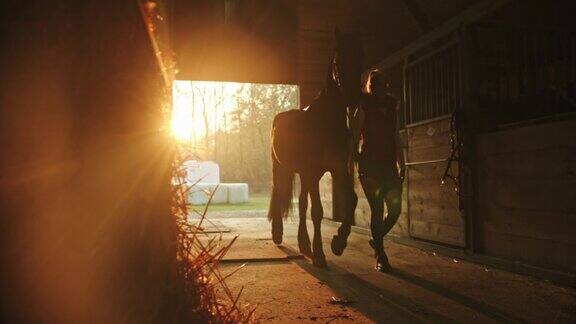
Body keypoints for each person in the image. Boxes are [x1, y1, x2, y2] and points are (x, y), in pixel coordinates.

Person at [352, 69, 405, 272]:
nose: (380, 90)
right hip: (370, 166)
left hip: (389, 164)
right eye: (375, 86)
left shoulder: (392, 106)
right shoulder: (363, 106)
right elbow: (356, 134)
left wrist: (402, 162)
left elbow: (396, 136)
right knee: (377, 209)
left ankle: (377, 238)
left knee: (395, 210)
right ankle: (380, 255)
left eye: (383, 86)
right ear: (371, 87)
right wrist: (356, 159)